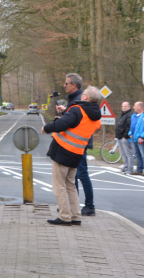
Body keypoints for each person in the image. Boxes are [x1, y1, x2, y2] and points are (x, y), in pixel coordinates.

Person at [41, 86, 102, 225]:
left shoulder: (77, 109)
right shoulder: (94, 116)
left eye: (84, 94)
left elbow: (63, 124)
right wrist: (66, 114)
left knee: (59, 185)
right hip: (77, 153)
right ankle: (75, 216)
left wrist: (47, 128)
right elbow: (78, 125)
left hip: (63, 151)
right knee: (70, 185)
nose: (82, 96)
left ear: (85, 97)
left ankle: (64, 216)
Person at [57, 73, 96, 215]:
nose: (64, 85)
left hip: (79, 141)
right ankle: (74, 206)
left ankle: (89, 206)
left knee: (81, 173)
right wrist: (64, 112)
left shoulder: (79, 100)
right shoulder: (76, 99)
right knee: (74, 174)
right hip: (78, 141)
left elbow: (79, 121)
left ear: (74, 85)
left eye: (66, 83)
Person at [115, 101, 134, 174]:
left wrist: (125, 136)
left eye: (125, 106)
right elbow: (119, 125)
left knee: (128, 153)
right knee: (123, 153)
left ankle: (130, 168)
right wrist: (117, 136)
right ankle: (125, 167)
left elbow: (128, 126)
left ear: (129, 107)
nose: (124, 107)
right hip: (119, 137)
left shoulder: (129, 115)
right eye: (123, 106)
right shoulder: (122, 114)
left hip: (124, 138)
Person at [129, 101, 144, 175]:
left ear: (140, 107)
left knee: (143, 154)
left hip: (140, 138)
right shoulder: (133, 116)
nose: (133, 107)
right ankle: (139, 170)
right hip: (134, 137)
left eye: (135, 106)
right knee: (137, 154)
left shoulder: (143, 116)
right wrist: (130, 133)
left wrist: (142, 136)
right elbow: (132, 126)